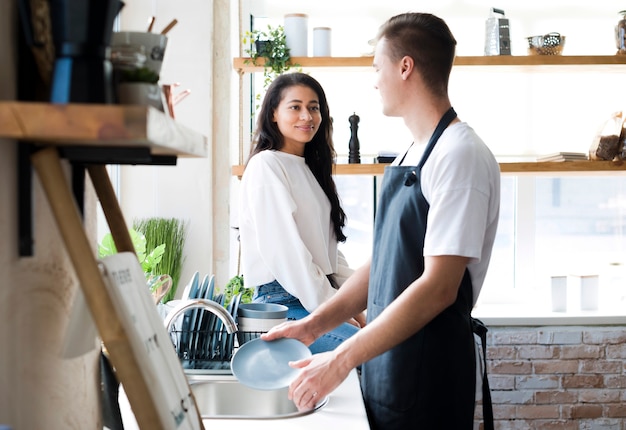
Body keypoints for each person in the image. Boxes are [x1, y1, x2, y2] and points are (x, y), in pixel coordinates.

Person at [262, 12, 500, 429]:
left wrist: (338, 360)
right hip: (391, 360)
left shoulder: (460, 155)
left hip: (430, 369)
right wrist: (314, 326)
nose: (374, 80)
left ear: (404, 67)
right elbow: (385, 262)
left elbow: (439, 288)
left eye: (377, 66)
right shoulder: (416, 151)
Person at [238, 72, 363, 354]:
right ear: (273, 114)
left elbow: (326, 253)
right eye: (295, 107)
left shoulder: (310, 169)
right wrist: (335, 309)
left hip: (314, 295)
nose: (306, 116)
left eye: (314, 107)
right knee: (380, 356)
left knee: (391, 344)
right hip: (284, 305)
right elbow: (287, 255)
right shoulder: (266, 165)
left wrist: (362, 298)